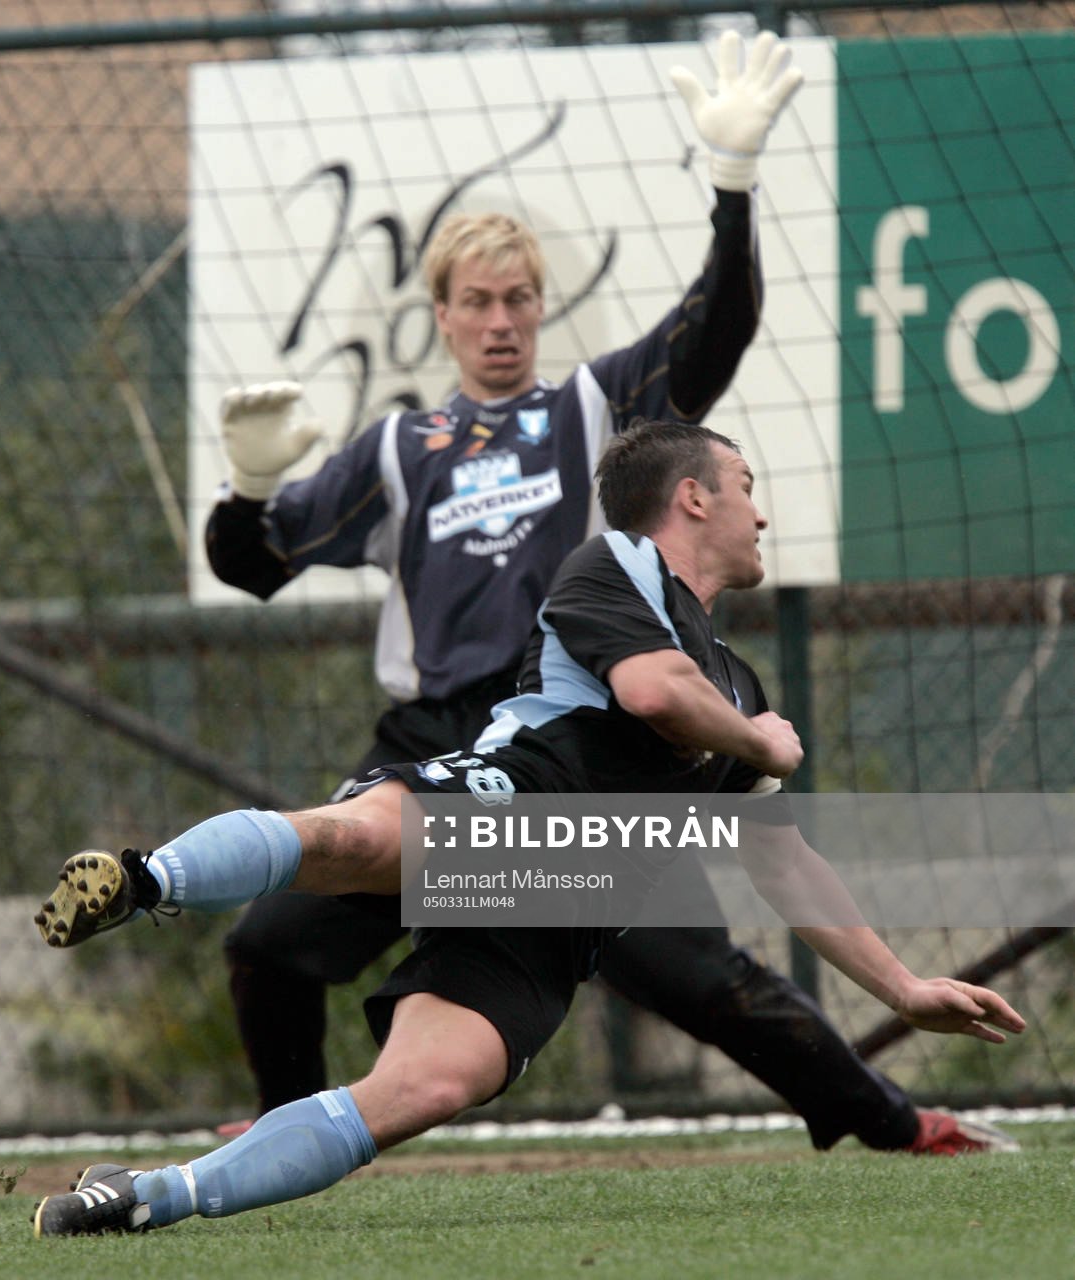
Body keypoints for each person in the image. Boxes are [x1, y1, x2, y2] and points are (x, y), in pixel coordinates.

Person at [204, 29, 1006, 1156]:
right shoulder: (399, 447)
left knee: (702, 975)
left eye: (519, 298)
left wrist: (731, 188)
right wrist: (245, 488)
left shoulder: (586, 408)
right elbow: (252, 566)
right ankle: (280, 1135)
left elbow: (709, 335)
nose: (500, 320)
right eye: (477, 300)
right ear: (439, 312)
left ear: (540, 307)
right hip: (442, 742)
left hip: (573, 750)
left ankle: (890, 1121)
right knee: (271, 941)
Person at [31, 418, 1026, 1237]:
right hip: (511, 799)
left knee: (424, 1086)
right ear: (693, 498)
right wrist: (767, 749)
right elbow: (652, 690)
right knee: (352, 842)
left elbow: (785, 863)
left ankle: (149, 1193)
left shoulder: (743, 687)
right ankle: (143, 879)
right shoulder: (622, 561)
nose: (761, 510)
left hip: (558, 914)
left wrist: (906, 985)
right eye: (745, 484)